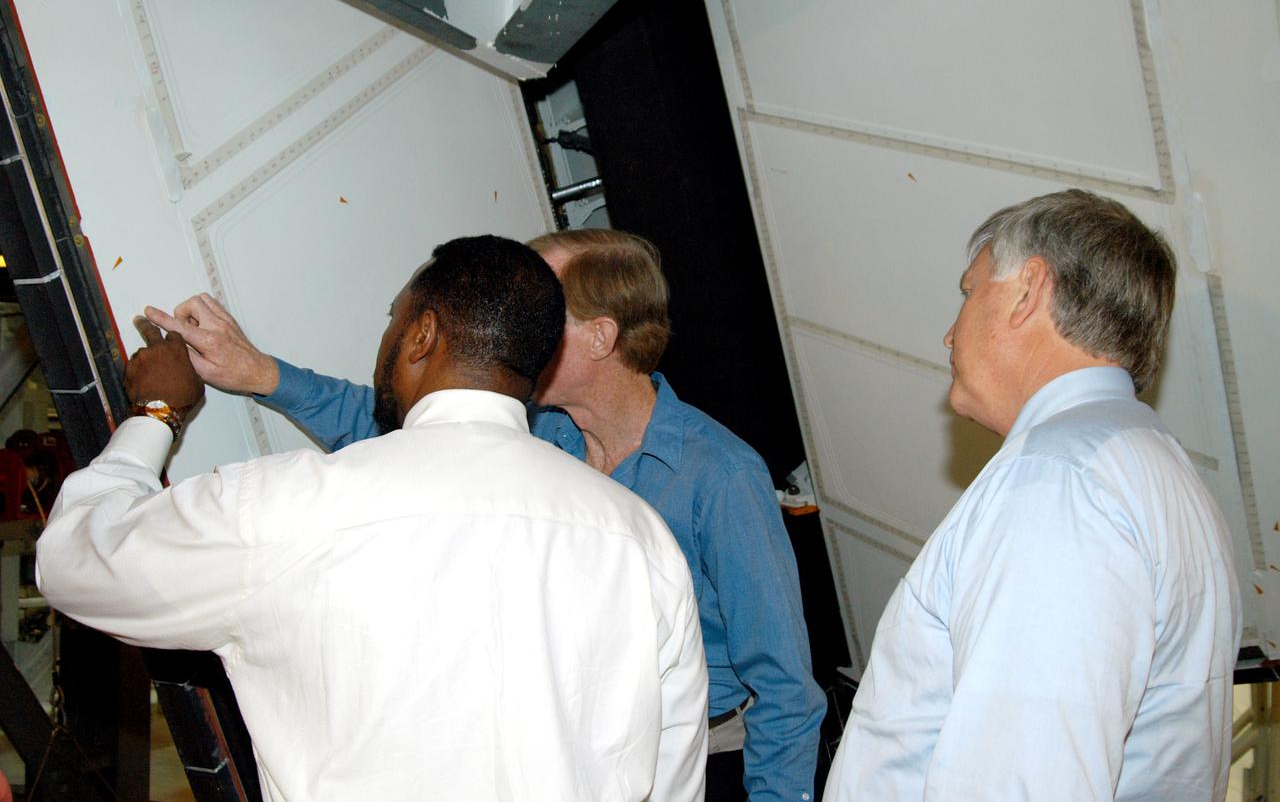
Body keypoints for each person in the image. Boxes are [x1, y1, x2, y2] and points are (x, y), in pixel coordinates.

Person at [147, 228, 826, 802]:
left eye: (540, 311)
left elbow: (787, 692)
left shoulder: (721, 477)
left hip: (708, 751)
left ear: (599, 337)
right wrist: (260, 370)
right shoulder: (541, 429)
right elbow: (386, 426)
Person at [823, 190, 1242, 800]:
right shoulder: (1148, 459)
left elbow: (1022, 780)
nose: (949, 334)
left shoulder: (1059, 486)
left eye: (969, 293)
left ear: (1029, 291)